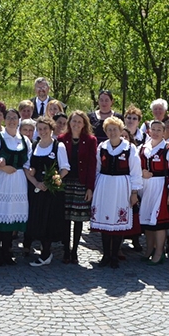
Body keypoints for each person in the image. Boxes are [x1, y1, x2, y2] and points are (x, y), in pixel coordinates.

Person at [91, 116, 143, 268]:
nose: (112, 132)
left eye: (115, 129)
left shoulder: (129, 148)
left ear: (121, 131)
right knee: (106, 222)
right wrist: (95, 187)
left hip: (122, 186)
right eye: (109, 129)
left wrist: (134, 193)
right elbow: (97, 168)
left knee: (118, 221)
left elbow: (135, 172)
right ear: (106, 131)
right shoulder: (102, 147)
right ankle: (106, 254)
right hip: (104, 185)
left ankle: (115, 255)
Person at [0, 109, 30, 267]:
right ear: (4, 120)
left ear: (19, 120)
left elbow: (28, 160)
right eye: (9, 118)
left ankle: (7, 250)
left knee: (11, 217)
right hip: (1, 181)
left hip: (18, 183)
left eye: (14, 118)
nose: (11, 121)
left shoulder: (24, 140)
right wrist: (2, 167)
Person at [25, 117, 69, 267]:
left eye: (45, 128)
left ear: (51, 129)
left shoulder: (58, 146)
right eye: (40, 129)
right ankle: (40, 250)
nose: (42, 131)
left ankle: (46, 253)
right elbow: (27, 168)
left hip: (52, 191)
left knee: (49, 221)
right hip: (37, 189)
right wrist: (36, 182)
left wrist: (51, 182)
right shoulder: (34, 145)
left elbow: (65, 168)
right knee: (37, 219)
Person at [138, 119, 169, 264]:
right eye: (153, 129)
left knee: (158, 222)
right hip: (145, 188)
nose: (156, 132)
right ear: (149, 131)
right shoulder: (142, 148)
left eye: (159, 130)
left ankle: (159, 252)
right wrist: (141, 173)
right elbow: (134, 167)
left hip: (161, 187)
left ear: (164, 132)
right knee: (147, 221)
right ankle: (149, 249)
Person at [59, 111, 97, 265]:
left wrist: (90, 188)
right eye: (74, 121)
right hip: (66, 183)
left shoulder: (90, 140)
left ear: (84, 124)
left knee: (78, 219)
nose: (76, 124)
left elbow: (91, 165)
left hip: (81, 183)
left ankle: (75, 250)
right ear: (69, 123)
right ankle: (66, 250)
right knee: (66, 218)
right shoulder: (62, 139)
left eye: (79, 122)